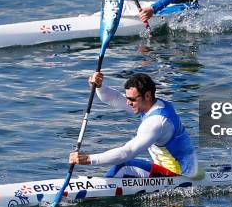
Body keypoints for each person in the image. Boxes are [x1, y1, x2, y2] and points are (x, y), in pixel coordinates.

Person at [69, 72, 200, 178]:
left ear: (147, 96)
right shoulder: (153, 104)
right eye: (127, 98)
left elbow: (128, 152)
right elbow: (114, 99)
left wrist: (89, 159)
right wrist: (99, 86)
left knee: (124, 166)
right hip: (177, 168)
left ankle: (97, 197)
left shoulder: (157, 122)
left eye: (132, 99)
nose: (127, 103)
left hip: (179, 176)